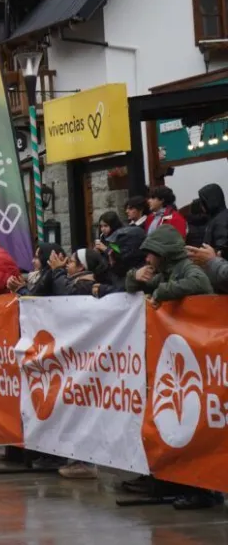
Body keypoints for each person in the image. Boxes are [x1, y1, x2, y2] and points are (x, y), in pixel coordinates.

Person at [125, 224, 218, 510]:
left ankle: (202, 489)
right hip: (181, 359)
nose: (148, 261)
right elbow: (134, 286)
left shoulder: (186, 269)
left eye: (151, 255)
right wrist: (134, 277)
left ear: (164, 253)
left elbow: (200, 284)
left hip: (201, 359)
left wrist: (163, 290)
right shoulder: (166, 270)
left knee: (197, 424)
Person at [198, 183, 228, 253]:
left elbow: (221, 249)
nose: (201, 205)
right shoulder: (216, 217)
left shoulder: (220, 221)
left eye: (202, 202)